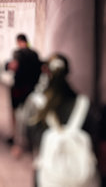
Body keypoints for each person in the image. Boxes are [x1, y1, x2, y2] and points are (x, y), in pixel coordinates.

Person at [28, 54, 100, 187]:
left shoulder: (37, 105)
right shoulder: (86, 104)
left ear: (46, 71)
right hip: (83, 178)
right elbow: (96, 136)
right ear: (68, 72)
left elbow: (30, 138)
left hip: (48, 178)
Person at [6, 33, 41, 147]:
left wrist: (7, 66)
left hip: (18, 87)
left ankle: (15, 136)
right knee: (30, 111)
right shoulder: (35, 54)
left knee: (15, 111)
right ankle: (29, 137)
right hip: (31, 88)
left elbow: (14, 66)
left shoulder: (18, 53)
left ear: (19, 41)